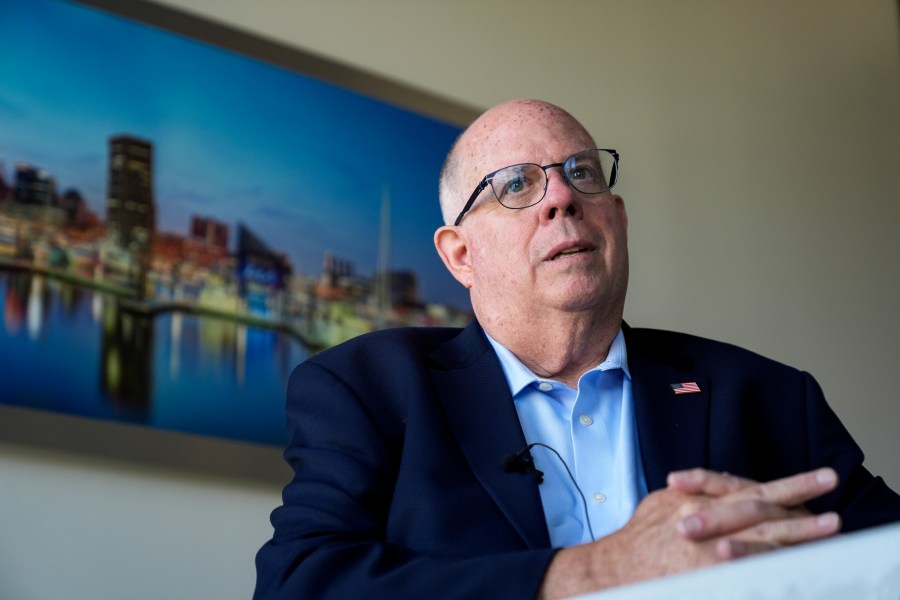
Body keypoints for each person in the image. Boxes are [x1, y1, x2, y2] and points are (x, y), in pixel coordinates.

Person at [254, 99, 900, 599]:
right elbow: (300, 586)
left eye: (580, 173)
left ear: (616, 218)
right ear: (459, 255)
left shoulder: (767, 397)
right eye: (516, 186)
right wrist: (592, 572)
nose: (561, 198)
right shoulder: (369, 388)